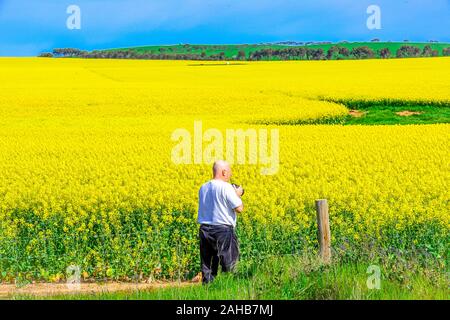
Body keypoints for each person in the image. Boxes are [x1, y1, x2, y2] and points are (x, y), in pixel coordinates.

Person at [197, 160, 244, 284]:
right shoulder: (226, 187)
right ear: (224, 172)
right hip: (222, 230)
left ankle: (208, 289)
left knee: (207, 264)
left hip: (204, 229)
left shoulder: (203, 187)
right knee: (229, 264)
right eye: (229, 172)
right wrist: (237, 194)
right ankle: (230, 287)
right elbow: (239, 208)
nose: (230, 175)